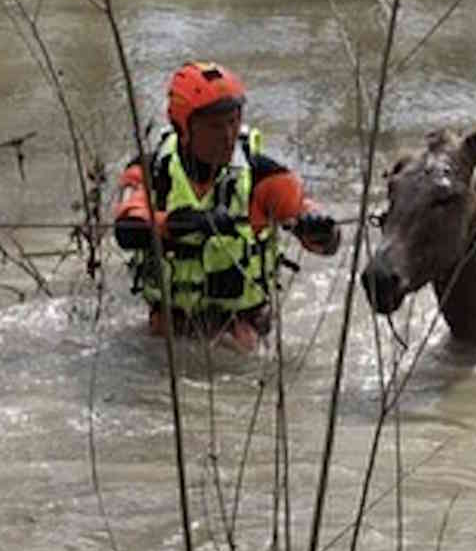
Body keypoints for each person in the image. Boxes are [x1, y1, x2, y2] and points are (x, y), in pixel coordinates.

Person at [112, 61, 341, 353]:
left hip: (241, 330)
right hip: (169, 328)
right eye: (215, 126)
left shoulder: (264, 176)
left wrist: (319, 228)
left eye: (234, 122)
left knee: (240, 343)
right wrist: (187, 222)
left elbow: (317, 231)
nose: (228, 135)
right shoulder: (149, 171)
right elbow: (127, 229)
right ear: (183, 128)